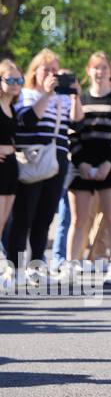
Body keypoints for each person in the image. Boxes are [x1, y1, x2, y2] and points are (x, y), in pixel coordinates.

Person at [7, 50, 81, 285]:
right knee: (23, 215)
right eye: (46, 69)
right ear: (35, 71)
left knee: (45, 216)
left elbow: (77, 121)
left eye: (54, 70)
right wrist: (47, 94)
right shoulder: (26, 94)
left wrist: (75, 97)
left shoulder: (61, 98)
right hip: (31, 160)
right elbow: (27, 121)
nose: (51, 74)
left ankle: (36, 265)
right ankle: (15, 266)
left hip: (57, 160)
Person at [66, 51, 111, 286]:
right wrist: (80, 162)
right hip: (81, 163)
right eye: (96, 67)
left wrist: (107, 164)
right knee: (78, 219)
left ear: (110, 71)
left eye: (104, 67)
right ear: (88, 71)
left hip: (110, 163)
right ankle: (71, 264)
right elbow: (73, 131)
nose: (100, 72)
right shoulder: (80, 98)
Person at [0, 59, 23, 276]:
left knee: (4, 220)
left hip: (11, 165)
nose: (16, 83)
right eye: (11, 79)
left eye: (19, 79)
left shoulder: (13, 108)